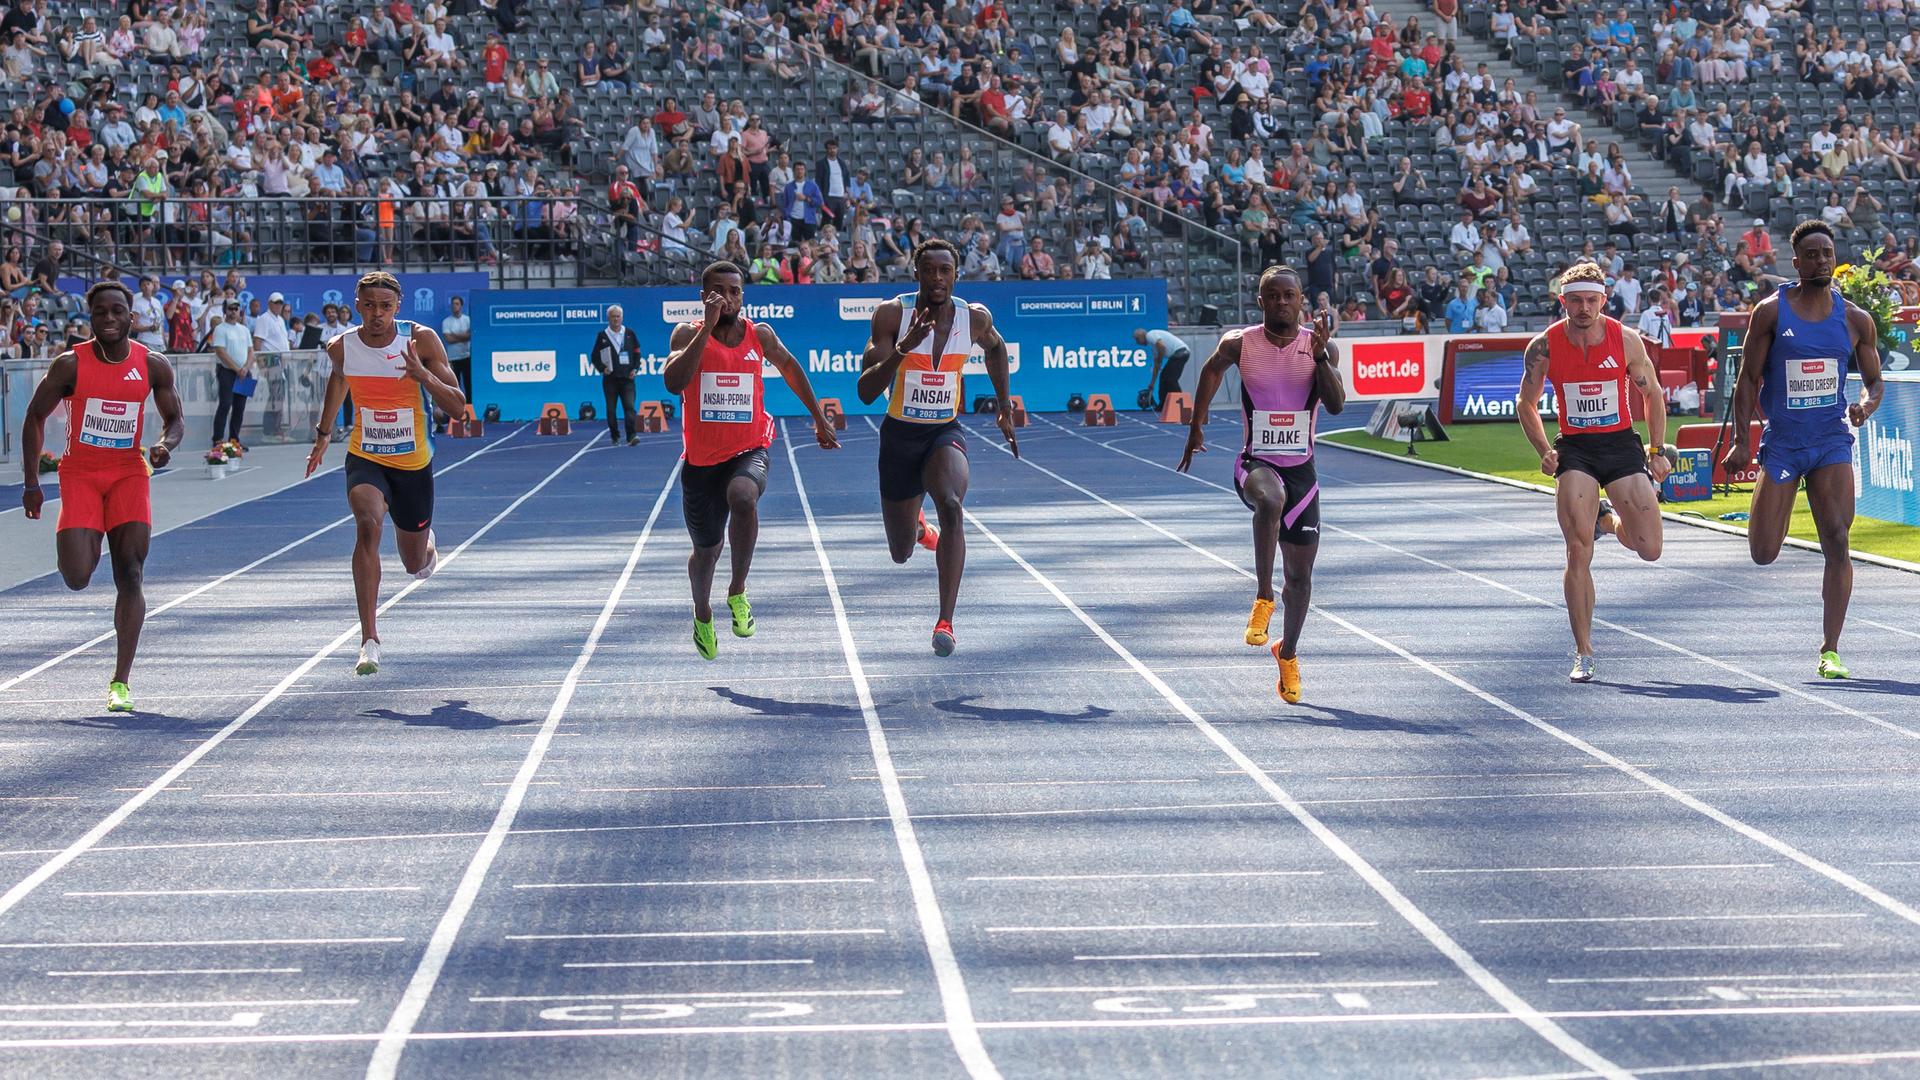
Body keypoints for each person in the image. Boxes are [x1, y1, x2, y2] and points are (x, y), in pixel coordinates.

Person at [1719, 220, 1884, 679]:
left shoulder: (1854, 319)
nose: (1821, 260)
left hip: (1831, 440)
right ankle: (1775, 500)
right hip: (1784, 445)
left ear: (1835, 258)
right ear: (1797, 262)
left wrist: (1867, 405)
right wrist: (1739, 441)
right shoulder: (1771, 312)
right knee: (1763, 552)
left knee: (1837, 538)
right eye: (1811, 254)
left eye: (1827, 253)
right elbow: (1748, 380)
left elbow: (1874, 381)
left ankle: (1830, 648)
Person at [1177, 266, 1344, 703]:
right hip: (1256, 461)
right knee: (1270, 500)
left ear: (1302, 300)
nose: (1282, 303)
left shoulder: (1318, 345)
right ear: (1261, 301)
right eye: (1273, 296)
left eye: (1290, 295)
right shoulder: (1240, 342)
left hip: (1303, 472)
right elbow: (1210, 373)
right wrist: (1197, 426)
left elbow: (1338, 405)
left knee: (1302, 578)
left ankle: (1287, 653)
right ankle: (1262, 597)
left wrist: (1323, 355)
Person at [19, 282, 185, 713]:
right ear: (90, 318)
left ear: (132, 316)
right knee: (77, 575)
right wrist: (32, 482)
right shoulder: (70, 364)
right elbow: (35, 416)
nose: (108, 319)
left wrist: (166, 445)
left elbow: (175, 419)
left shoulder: (152, 365)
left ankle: (120, 681)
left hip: (129, 473)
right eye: (99, 313)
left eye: (117, 312)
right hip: (81, 475)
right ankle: (84, 546)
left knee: (130, 573)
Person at [664, 261, 841, 659]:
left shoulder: (759, 334)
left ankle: (738, 590)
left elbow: (791, 367)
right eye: (719, 291)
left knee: (744, 496)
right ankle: (702, 612)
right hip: (701, 462)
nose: (728, 299)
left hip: (750, 447)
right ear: (704, 295)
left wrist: (818, 417)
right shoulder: (686, 334)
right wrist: (706, 328)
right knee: (705, 552)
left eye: (736, 291)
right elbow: (674, 382)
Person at [856, 239, 1020, 656]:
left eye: (945, 270)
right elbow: (866, 390)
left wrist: (1004, 405)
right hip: (898, 438)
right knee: (900, 551)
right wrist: (903, 349)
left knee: (951, 505)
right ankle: (917, 528)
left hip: (943, 433)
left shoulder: (974, 318)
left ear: (956, 275)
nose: (937, 278)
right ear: (916, 274)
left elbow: (997, 349)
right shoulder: (892, 314)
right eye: (929, 270)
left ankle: (946, 621)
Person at [304, 272, 468, 677]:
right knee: (367, 525)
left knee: (414, 565)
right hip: (366, 454)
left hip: (413, 463)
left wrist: (423, 376)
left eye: (386, 306)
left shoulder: (421, 341)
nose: (377, 314)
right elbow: (339, 380)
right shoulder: (340, 347)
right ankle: (369, 639)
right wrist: (324, 436)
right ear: (357, 305)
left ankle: (425, 545)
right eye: (369, 305)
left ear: (399, 306)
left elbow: (459, 407)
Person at [1517, 262, 1670, 683]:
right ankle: (1583, 650)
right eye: (1574, 300)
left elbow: (1652, 394)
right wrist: (1545, 450)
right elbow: (1525, 404)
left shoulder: (1626, 340)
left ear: (1604, 300)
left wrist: (1656, 450)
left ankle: (1608, 519)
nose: (1583, 308)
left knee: (1650, 547)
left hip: (1620, 444)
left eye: (1591, 300)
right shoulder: (1543, 347)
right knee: (1577, 549)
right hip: (1576, 450)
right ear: (1562, 301)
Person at [589, 304, 643, 444]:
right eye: (613, 317)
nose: (616, 319)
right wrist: (602, 368)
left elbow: (637, 353)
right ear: (608, 318)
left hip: (627, 378)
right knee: (611, 410)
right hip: (610, 380)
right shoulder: (602, 336)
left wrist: (635, 369)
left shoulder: (630, 333)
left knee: (629, 407)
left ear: (622, 317)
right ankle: (615, 435)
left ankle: (631, 435)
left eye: (618, 316)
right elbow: (594, 356)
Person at [208, 299, 255, 446]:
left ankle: (234, 440)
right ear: (225, 310)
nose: (233, 311)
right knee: (225, 404)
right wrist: (237, 369)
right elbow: (221, 352)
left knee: (240, 408)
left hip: (244, 372)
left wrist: (246, 368)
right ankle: (218, 439)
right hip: (227, 371)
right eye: (230, 308)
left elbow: (251, 351)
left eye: (236, 308)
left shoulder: (244, 329)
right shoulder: (220, 329)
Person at [1136, 326, 1193, 410]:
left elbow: (1162, 347)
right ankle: (1163, 405)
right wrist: (1152, 383)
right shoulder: (1153, 346)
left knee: (1170, 379)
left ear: (1141, 337)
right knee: (1163, 378)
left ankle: (1182, 405)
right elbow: (1156, 366)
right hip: (1179, 354)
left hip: (1180, 352)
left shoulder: (1150, 335)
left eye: (1137, 339)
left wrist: (1160, 359)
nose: (1137, 343)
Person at [440, 295, 472, 400]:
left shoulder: (468, 320)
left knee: (468, 383)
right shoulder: (446, 321)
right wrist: (464, 336)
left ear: (461, 306)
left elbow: (471, 336)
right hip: (453, 358)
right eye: (453, 304)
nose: (454, 306)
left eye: (457, 304)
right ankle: (457, 406)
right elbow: (449, 339)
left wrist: (455, 335)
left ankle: (469, 407)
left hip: (467, 356)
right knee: (455, 384)